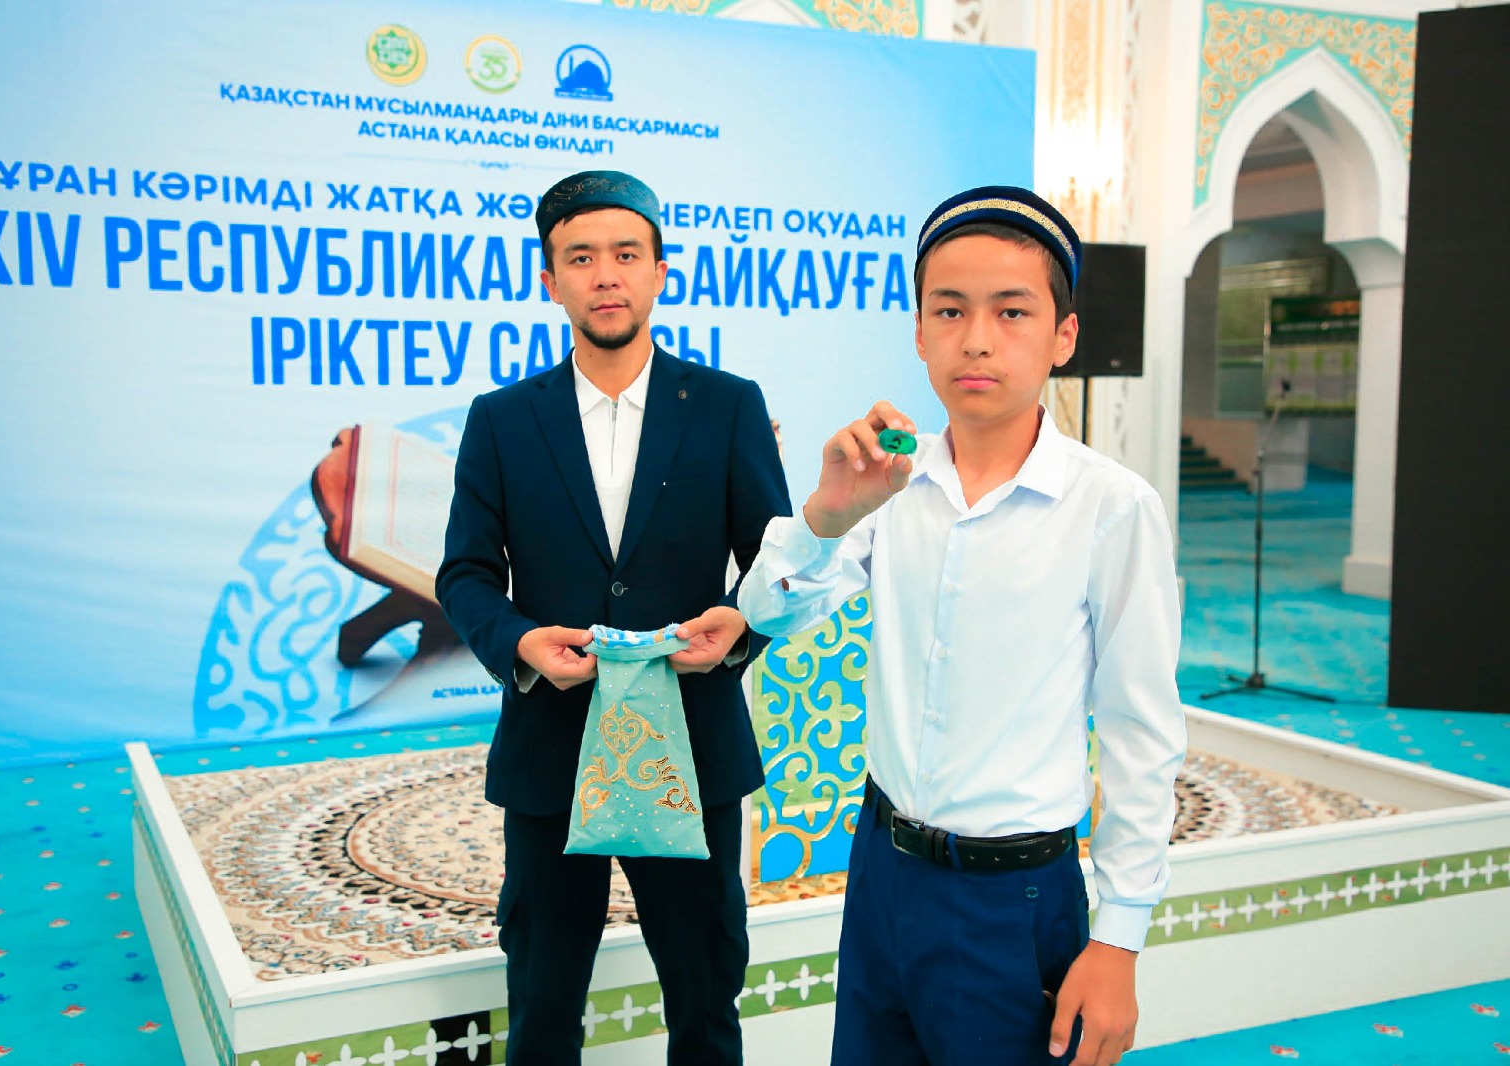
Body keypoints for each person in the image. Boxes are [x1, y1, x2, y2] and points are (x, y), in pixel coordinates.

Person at [738, 186, 1187, 1066]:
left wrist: (1121, 938)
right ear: (918, 332)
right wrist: (825, 516)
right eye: (950, 311)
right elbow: (767, 614)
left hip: (1012, 900)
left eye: (1011, 311)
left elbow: (1142, 731)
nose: (976, 339)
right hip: (882, 872)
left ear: (1064, 335)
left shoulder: (1111, 507)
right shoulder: (889, 484)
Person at [436, 169, 790, 1065]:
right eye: (581, 257)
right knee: (543, 1005)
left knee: (705, 998)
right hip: (551, 751)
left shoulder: (728, 406)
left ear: (660, 272)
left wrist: (734, 634)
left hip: (690, 750)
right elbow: (465, 574)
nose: (606, 276)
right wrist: (520, 641)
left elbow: (773, 566)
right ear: (549, 279)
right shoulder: (503, 420)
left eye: (626, 255)